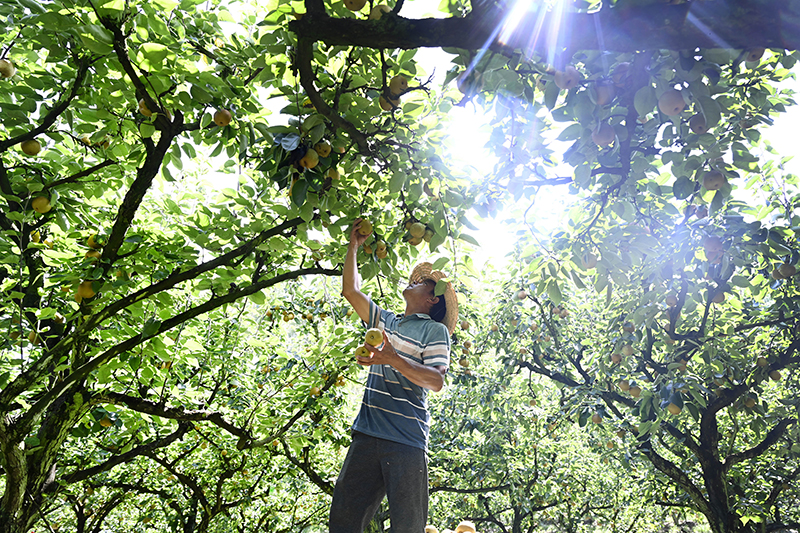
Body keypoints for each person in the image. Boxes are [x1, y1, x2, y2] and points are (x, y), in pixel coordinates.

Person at [330, 218, 458, 533]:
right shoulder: (385, 321)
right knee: (342, 525)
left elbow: (436, 380)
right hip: (367, 434)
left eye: (425, 282)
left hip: (405, 440)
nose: (416, 280)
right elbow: (351, 290)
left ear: (432, 300)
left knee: (408, 528)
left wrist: (391, 357)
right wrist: (353, 246)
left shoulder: (435, 330)